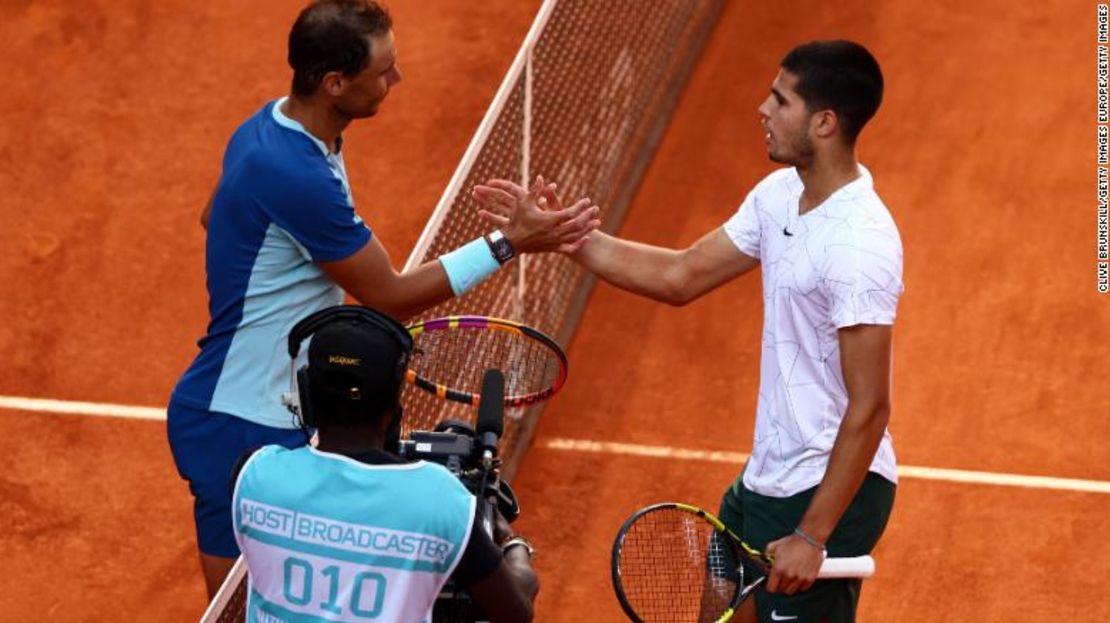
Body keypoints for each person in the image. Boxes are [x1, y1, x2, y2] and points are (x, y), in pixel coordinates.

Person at [168, 0, 598, 598]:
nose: (396, 80)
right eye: (383, 71)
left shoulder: (271, 129)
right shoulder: (293, 172)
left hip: (263, 408)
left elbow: (215, 216)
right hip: (241, 426)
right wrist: (509, 243)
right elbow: (391, 296)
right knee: (241, 610)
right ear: (335, 83)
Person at [475, 40, 901, 623]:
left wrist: (813, 533)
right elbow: (681, 274)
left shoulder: (859, 243)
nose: (762, 109)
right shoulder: (780, 196)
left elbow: (870, 405)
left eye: (781, 100)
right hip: (768, 476)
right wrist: (566, 238)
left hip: (830, 489)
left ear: (824, 123)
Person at [231, 305, 538, 623]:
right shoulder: (438, 499)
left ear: (306, 394)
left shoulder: (253, 474)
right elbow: (515, 611)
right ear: (394, 407)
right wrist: (513, 542)